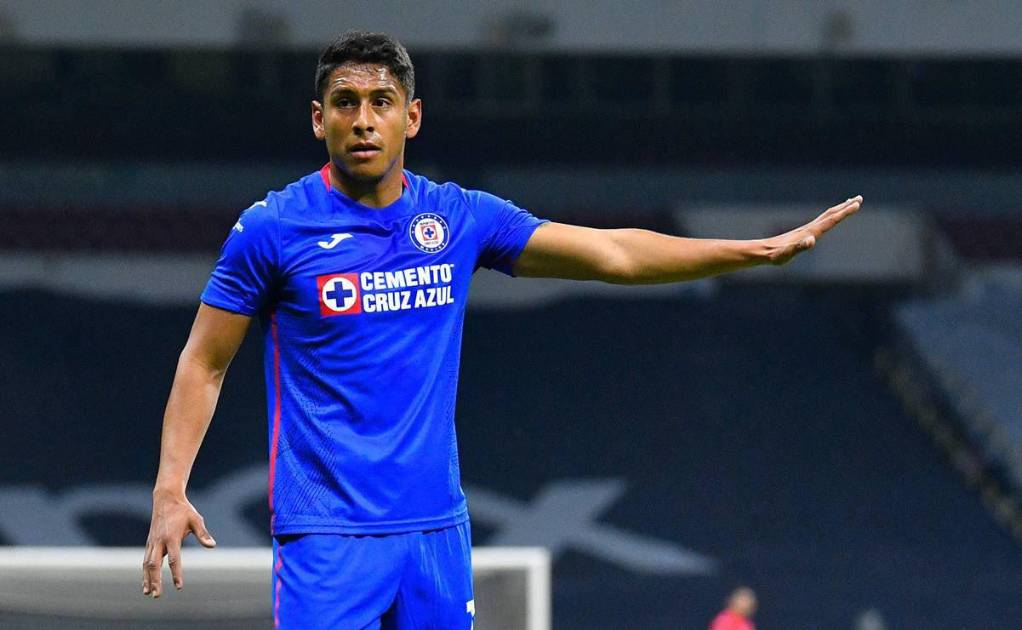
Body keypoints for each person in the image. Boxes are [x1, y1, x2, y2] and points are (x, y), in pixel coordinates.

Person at [141, 30, 862, 629]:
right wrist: (170, 490)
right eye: (346, 103)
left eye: (381, 103)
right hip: (327, 535)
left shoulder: (459, 218)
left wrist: (753, 252)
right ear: (317, 118)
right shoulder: (272, 229)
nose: (363, 120)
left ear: (411, 118)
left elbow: (613, 253)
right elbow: (204, 362)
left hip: (436, 531)